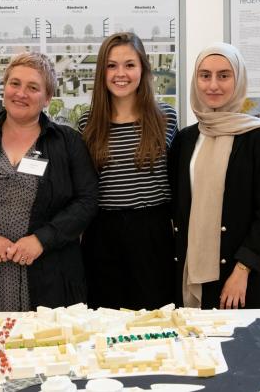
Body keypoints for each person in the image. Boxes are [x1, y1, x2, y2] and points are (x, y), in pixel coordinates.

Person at [0, 52, 98, 312]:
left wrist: (41, 240)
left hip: (52, 275)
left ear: (47, 98)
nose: (21, 93)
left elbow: (87, 199)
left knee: (48, 348)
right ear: (4, 88)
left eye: (33, 87)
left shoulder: (67, 142)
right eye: (15, 84)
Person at [168, 42, 260, 310]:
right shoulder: (186, 139)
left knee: (239, 350)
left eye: (224, 75)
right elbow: (179, 208)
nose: (213, 85)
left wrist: (242, 271)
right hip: (192, 273)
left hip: (240, 277)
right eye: (204, 75)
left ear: (238, 79)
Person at [78, 32, 178, 310]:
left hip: (152, 231)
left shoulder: (166, 117)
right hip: (102, 232)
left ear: (143, 68)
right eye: (111, 65)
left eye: (129, 65)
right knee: (104, 316)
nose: (120, 73)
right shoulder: (87, 122)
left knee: (155, 316)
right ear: (102, 72)